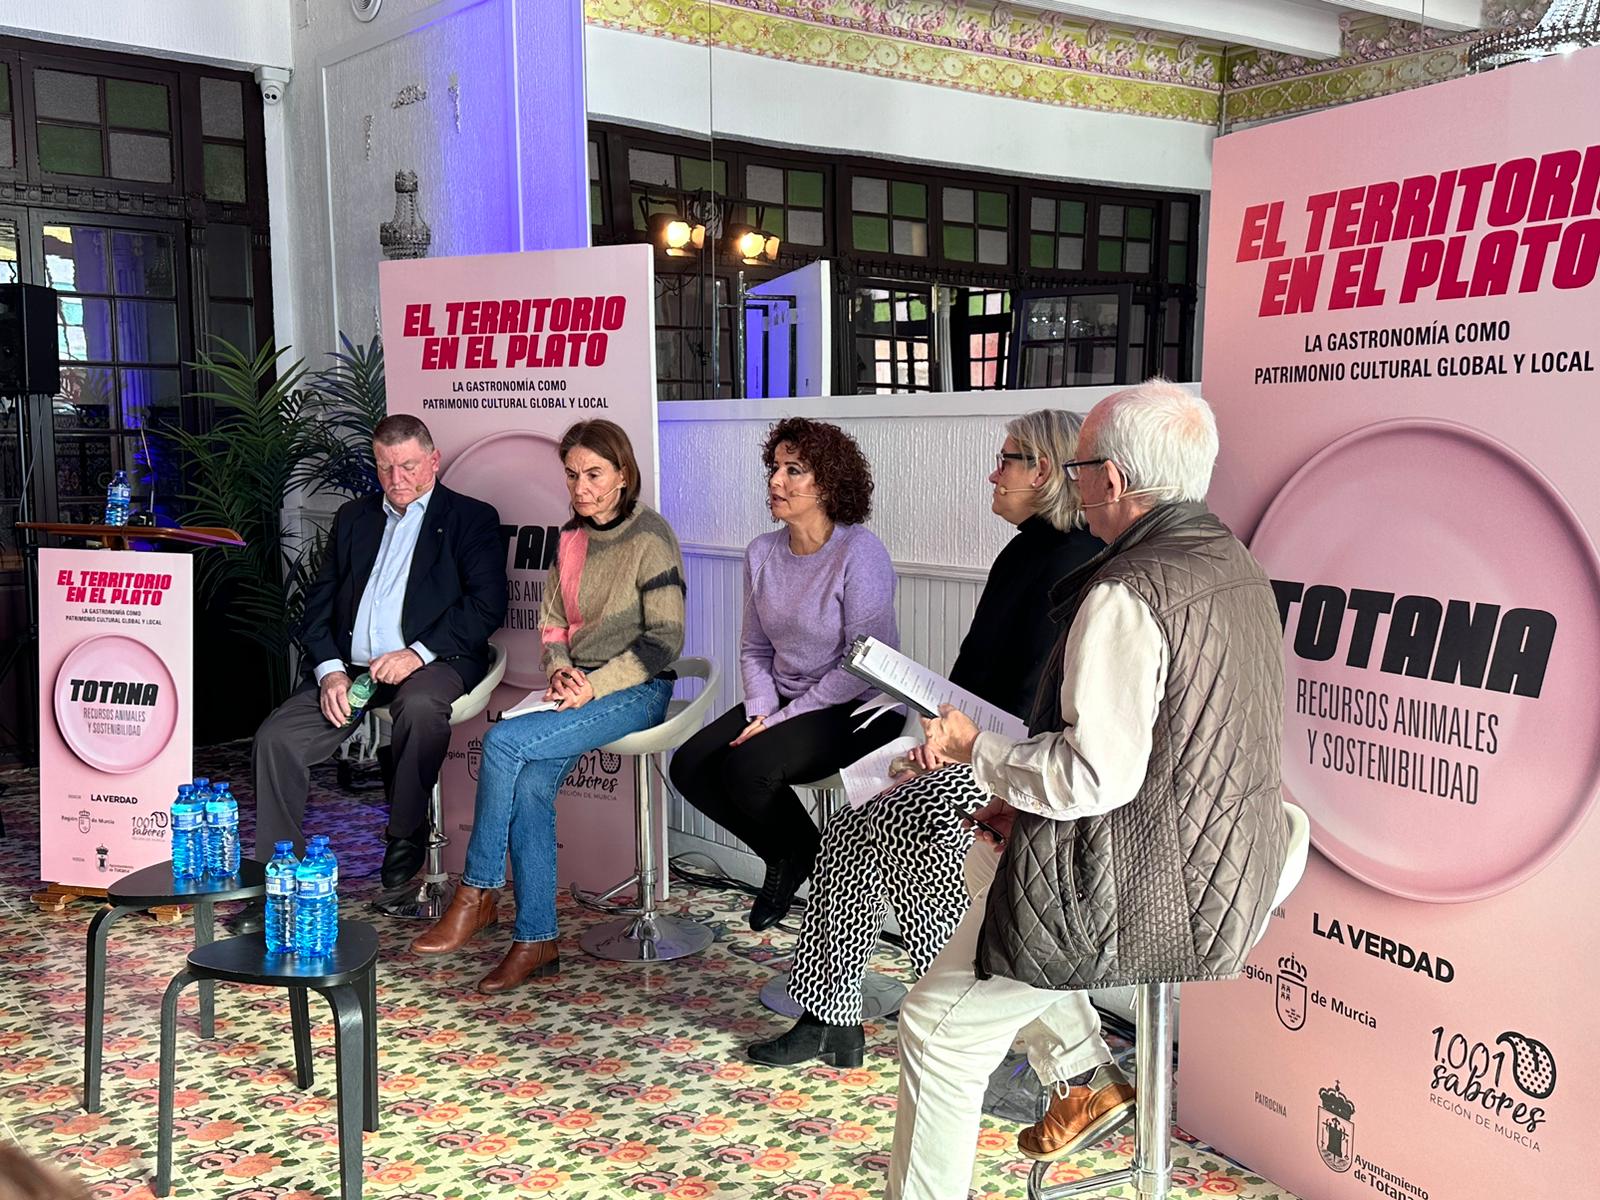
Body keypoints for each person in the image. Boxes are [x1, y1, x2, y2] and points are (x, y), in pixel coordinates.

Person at [886, 380, 1290, 1199]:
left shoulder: (1125, 592)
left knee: (935, 1029)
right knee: (984, 853)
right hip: (1237, 857)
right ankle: (1082, 1072)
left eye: (1076, 471)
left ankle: (1075, 1070)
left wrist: (974, 751)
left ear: (1112, 479)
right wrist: (1014, 791)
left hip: (1156, 884)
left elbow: (1092, 777)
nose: (1074, 488)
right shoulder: (1235, 563)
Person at [747, 409, 1102, 1069]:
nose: (993, 475)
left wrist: (950, 749)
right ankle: (829, 1018)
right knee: (851, 827)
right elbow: (975, 676)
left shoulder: (1074, 560)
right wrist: (933, 735)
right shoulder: (1024, 550)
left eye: (1006, 460)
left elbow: (1033, 697)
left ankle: (972, 1013)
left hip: (1021, 762)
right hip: (974, 745)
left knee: (906, 825)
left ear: (1043, 470)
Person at [409, 419, 686, 993]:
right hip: (576, 685)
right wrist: (560, 669)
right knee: (532, 786)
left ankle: (477, 890)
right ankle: (537, 941)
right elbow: (553, 622)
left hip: (637, 689)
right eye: (572, 474)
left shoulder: (651, 536)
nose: (581, 487)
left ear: (623, 475)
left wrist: (594, 685)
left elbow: (665, 640)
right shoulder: (572, 536)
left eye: (594, 474)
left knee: (502, 742)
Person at [233, 414, 506, 932]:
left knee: (419, 707)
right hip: (352, 667)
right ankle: (280, 881)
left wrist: (417, 653)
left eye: (408, 466)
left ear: (433, 460)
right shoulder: (353, 517)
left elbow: (487, 605)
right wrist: (330, 671)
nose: (396, 479)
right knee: (276, 739)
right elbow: (318, 605)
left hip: (433, 661)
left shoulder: (469, 518)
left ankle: (405, 832)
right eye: (384, 467)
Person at [669, 417, 901, 931]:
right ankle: (795, 856)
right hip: (788, 700)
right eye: (775, 468)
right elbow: (754, 647)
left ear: (828, 483)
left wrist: (778, 721)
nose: (776, 481)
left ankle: (810, 867)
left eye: (793, 470)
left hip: (859, 705)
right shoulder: (762, 552)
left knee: (746, 768)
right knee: (689, 766)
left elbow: (863, 663)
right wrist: (761, 709)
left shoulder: (859, 552)